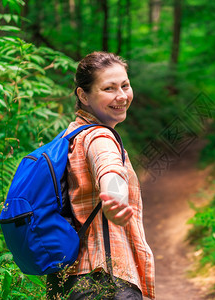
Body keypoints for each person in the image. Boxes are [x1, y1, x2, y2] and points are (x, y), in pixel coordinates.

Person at [46, 52, 155, 300]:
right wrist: (114, 198)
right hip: (105, 278)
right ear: (83, 96)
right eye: (109, 88)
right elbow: (108, 167)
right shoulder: (99, 137)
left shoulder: (70, 136)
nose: (122, 96)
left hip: (68, 279)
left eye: (125, 85)